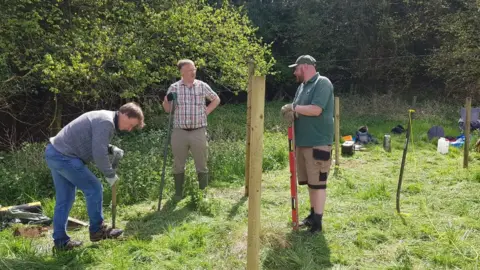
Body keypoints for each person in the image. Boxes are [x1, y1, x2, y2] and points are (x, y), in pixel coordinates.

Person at [44, 102, 145, 250]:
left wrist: (110, 148)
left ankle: (60, 243)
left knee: (65, 200)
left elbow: (92, 141)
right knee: (94, 188)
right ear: (123, 114)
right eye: (130, 124)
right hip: (64, 156)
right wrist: (110, 174)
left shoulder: (104, 117)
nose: (129, 129)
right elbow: (98, 153)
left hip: (54, 152)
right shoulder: (106, 122)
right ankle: (97, 230)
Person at [281, 55, 334, 233]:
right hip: (303, 143)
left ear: (304, 67)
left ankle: (318, 223)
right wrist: (292, 113)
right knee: (310, 183)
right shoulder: (302, 87)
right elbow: (299, 109)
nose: (294, 72)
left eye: (296, 69)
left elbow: (316, 110)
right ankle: (312, 216)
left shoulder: (323, 83)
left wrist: (293, 108)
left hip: (317, 143)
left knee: (318, 184)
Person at [162, 59, 220, 200]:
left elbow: (216, 99)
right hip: (179, 132)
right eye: (189, 70)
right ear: (182, 72)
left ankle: (202, 195)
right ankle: (178, 194)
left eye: (194, 69)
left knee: (201, 163)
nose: (193, 72)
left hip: (198, 130)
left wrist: (206, 111)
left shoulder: (201, 86)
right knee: (178, 163)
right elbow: (168, 109)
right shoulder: (174, 88)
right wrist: (165, 101)